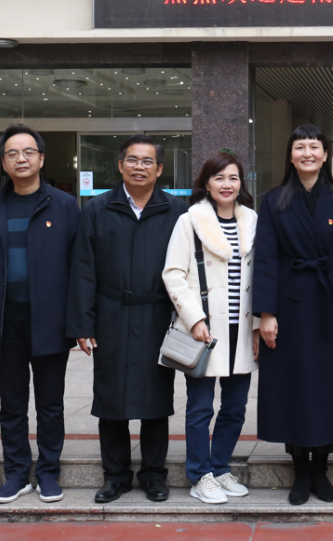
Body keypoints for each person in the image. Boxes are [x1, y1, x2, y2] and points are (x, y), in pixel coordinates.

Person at [66, 135, 190, 503]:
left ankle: (154, 475)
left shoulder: (177, 211)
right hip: (111, 315)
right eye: (132, 160)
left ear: (159, 169)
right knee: (111, 399)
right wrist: (82, 324)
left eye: (147, 161)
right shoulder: (97, 209)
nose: (139, 167)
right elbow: (83, 269)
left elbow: (188, 269)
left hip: (158, 316)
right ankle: (115, 475)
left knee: (156, 399)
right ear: (120, 166)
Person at [253, 125, 333, 505]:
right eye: (300, 147)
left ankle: (322, 466)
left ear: (325, 155)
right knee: (294, 383)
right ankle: (300, 469)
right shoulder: (273, 201)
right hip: (289, 302)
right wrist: (266, 313)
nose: (307, 153)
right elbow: (265, 259)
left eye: (314, 147)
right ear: (290, 155)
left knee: (330, 383)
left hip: (332, 302)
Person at [0, 124, 80, 504]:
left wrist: (78, 321)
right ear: (3, 162)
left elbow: (79, 266)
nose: (21, 159)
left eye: (28, 152)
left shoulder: (64, 206)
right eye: (12, 153)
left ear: (41, 158)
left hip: (50, 323)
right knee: (11, 405)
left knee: (50, 404)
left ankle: (48, 473)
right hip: (5, 324)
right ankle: (16, 473)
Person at [162, 152, 259, 505]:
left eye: (233, 178)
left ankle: (219, 468)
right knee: (201, 408)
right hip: (204, 329)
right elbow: (173, 273)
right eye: (219, 177)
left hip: (241, 328)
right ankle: (199, 474)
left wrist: (258, 326)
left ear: (241, 183)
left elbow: (260, 276)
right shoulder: (190, 221)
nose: (226, 184)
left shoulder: (252, 221)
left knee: (235, 407)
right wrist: (194, 318)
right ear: (206, 183)